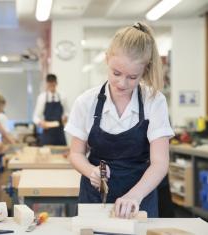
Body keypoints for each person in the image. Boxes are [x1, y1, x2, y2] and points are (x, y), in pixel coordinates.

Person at [65, 22, 174, 218]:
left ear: (145, 70)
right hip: (95, 199)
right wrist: (91, 171)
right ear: (107, 59)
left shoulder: (154, 101)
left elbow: (160, 163)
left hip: (140, 198)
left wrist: (134, 197)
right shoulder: (86, 102)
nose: (122, 83)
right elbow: (75, 153)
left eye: (132, 77)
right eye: (116, 73)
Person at [33, 73, 68, 146]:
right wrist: (40, 123)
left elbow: (67, 112)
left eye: (53, 84)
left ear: (56, 83)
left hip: (60, 133)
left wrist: (65, 117)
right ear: (47, 84)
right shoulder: (42, 97)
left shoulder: (62, 97)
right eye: (49, 84)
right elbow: (35, 117)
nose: (52, 86)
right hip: (47, 133)